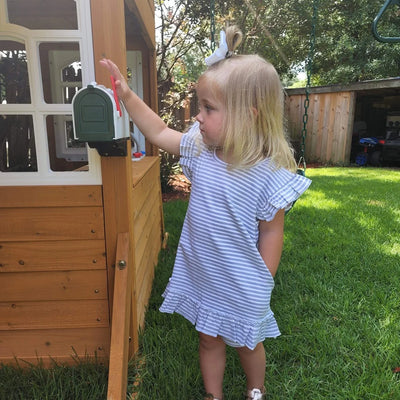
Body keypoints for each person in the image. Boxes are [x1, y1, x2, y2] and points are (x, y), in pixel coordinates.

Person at [100, 25, 311, 400]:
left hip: (244, 279)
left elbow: (271, 231)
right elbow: (161, 132)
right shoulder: (201, 151)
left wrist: (264, 281)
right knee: (208, 337)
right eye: (200, 106)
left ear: (248, 116)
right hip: (205, 271)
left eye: (208, 108)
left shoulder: (268, 174)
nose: (197, 117)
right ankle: (213, 395)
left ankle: (255, 389)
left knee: (247, 343)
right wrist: (129, 97)